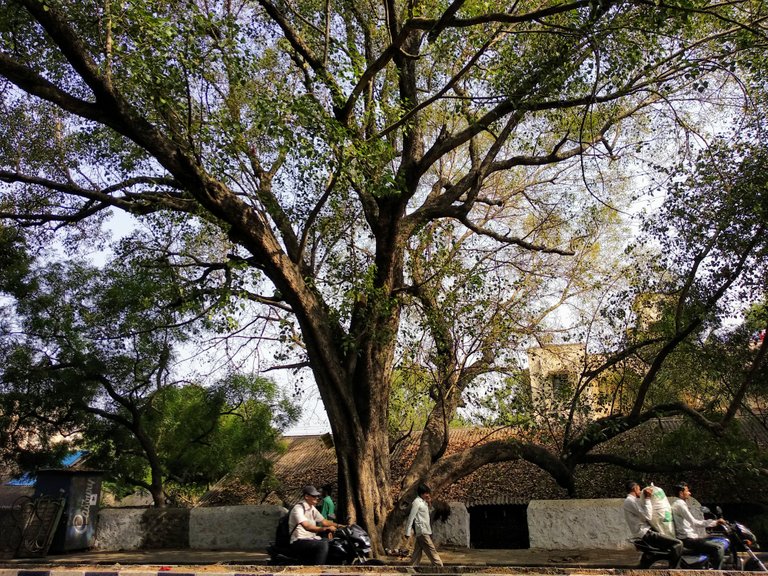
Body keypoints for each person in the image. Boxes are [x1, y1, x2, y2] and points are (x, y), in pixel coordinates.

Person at [623, 480, 683, 568]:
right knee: (678, 544)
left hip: (646, 532)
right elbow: (648, 516)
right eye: (639, 489)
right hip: (645, 533)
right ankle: (674, 570)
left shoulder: (634, 501)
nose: (640, 491)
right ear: (635, 488)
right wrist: (647, 498)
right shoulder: (630, 501)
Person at [671, 482, 726, 569]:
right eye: (687, 491)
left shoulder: (676, 503)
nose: (689, 493)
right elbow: (695, 522)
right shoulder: (680, 505)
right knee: (719, 548)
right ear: (681, 493)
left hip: (687, 537)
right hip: (687, 538)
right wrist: (715, 522)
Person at [288, 485, 340, 564]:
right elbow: (307, 527)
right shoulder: (298, 508)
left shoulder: (312, 508)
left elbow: (324, 521)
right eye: (314, 496)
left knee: (333, 543)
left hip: (311, 539)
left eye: (317, 496)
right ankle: (318, 571)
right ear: (306, 496)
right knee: (323, 545)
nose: (317, 498)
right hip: (299, 541)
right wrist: (324, 529)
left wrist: (340, 526)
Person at [405, 483, 443, 567]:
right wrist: (407, 532)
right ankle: (439, 567)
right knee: (431, 549)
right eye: (426, 493)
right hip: (422, 530)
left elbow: (428, 513)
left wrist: (429, 503)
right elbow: (411, 517)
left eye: (428, 493)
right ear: (421, 493)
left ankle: (412, 567)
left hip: (425, 530)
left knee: (417, 552)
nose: (427, 495)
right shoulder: (416, 502)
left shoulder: (424, 502)